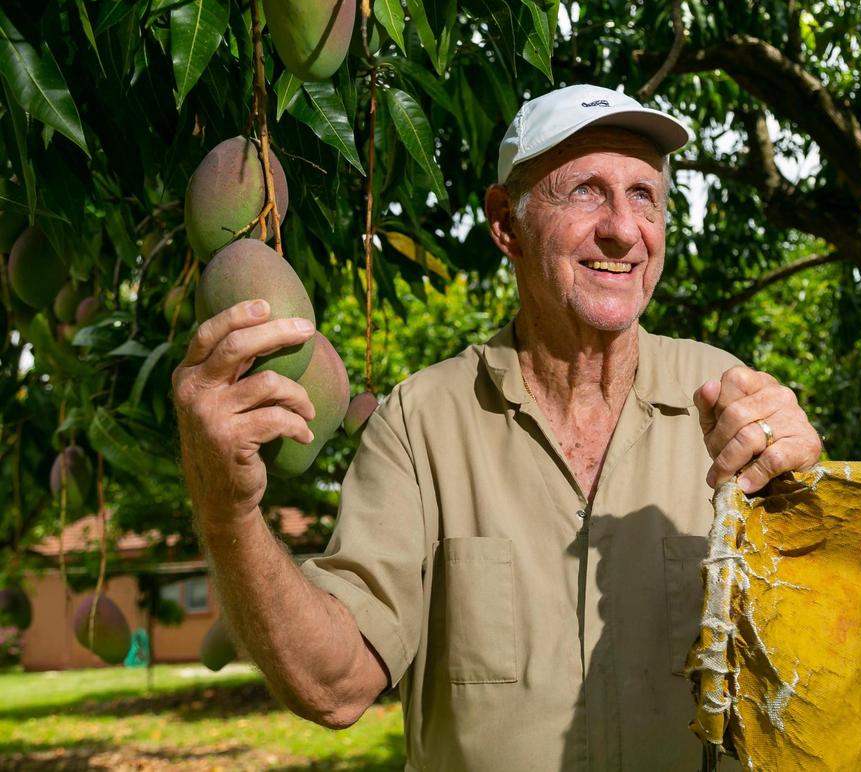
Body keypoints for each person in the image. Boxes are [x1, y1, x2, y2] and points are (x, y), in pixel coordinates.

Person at [173, 84, 822, 770]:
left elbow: (817, 656)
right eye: (585, 192)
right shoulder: (421, 423)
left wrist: (811, 499)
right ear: (506, 223)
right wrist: (228, 512)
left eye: (644, 196)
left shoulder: (727, 402)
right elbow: (335, 688)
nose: (624, 230)